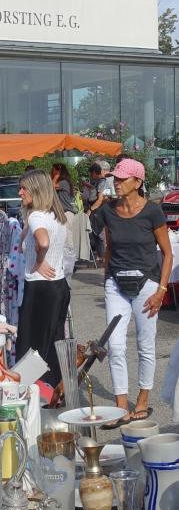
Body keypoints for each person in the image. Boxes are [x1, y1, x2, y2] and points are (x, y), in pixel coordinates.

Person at [90, 158, 172, 428]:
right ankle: (120, 406)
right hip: (116, 284)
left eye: (123, 178)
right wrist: (106, 279)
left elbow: (167, 253)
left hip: (147, 283)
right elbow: (110, 246)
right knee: (114, 346)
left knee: (145, 346)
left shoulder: (152, 212)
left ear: (138, 182)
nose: (116, 181)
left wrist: (161, 290)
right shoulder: (108, 211)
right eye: (115, 177)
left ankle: (143, 401)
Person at [14, 169, 69, 387]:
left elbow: (43, 241)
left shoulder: (37, 216)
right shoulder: (55, 215)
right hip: (58, 286)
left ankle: (33, 392)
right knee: (53, 343)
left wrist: (38, 259)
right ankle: (53, 390)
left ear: (35, 190)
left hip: (40, 288)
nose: (20, 192)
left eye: (23, 188)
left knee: (32, 345)